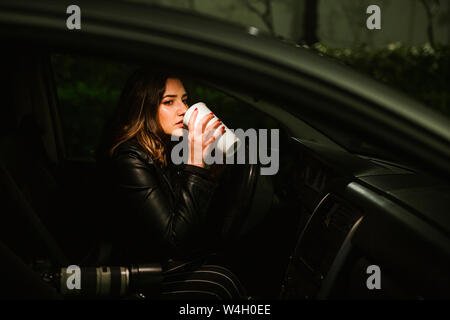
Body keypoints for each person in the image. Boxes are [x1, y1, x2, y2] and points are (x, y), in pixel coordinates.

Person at [96, 68, 246, 299]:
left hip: (166, 263)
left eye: (185, 100)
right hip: (140, 273)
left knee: (233, 264)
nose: (183, 111)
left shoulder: (169, 146)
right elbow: (175, 240)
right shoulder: (129, 158)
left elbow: (194, 222)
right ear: (144, 107)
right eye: (169, 102)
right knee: (221, 282)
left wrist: (212, 171)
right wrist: (195, 164)